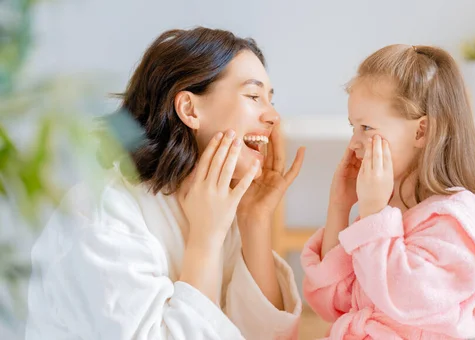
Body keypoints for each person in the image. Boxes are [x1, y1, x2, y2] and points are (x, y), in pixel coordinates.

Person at [26, 26, 305, 340]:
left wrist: (254, 221)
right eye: (254, 96)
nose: (273, 116)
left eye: (270, 99)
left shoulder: (220, 204)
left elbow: (265, 337)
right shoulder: (101, 214)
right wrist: (205, 240)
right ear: (189, 108)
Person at [301, 44, 475, 339]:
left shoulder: (455, 218)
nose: (354, 143)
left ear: (421, 131)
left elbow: (405, 298)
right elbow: (331, 304)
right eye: (353, 127)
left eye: (367, 127)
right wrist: (340, 205)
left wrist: (373, 214)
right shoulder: (382, 214)